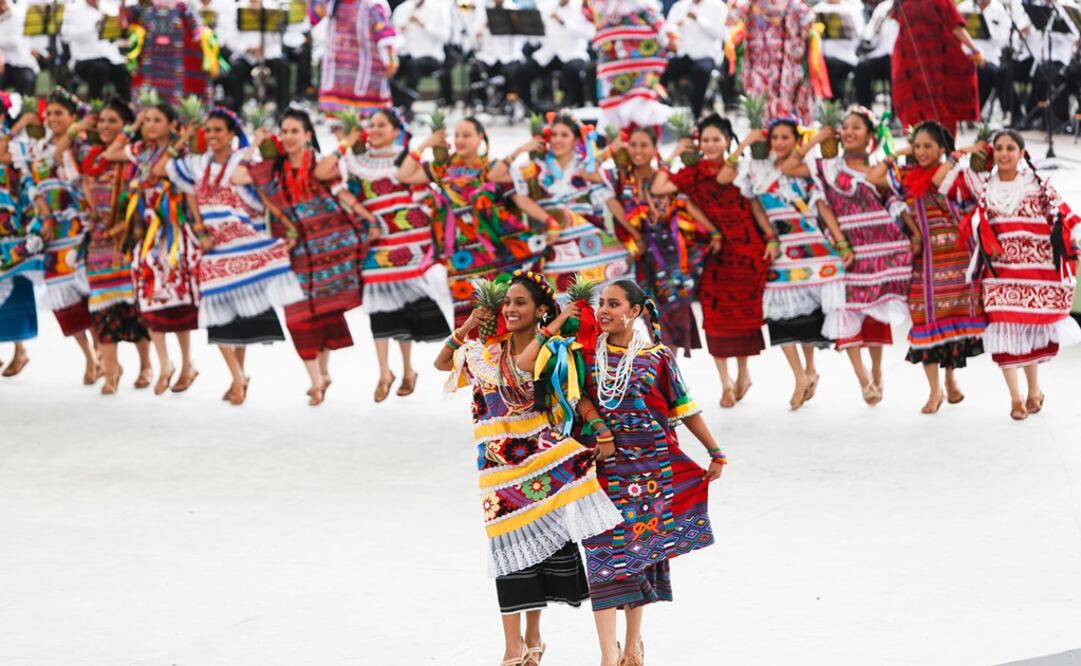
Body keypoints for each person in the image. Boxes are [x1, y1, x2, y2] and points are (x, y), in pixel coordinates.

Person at [434, 271, 622, 666]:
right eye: (508, 303)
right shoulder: (484, 354)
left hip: (540, 458)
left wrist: (601, 430)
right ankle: (512, 646)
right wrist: (467, 325)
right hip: (497, 469)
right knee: (507, 549)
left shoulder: (553, 350)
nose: (511, 309)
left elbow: (532, 369)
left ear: (539, 310)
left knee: (538, 550)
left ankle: (532, 636)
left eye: (521, 302)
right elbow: (440, 363)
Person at [581, 279, 725, 666]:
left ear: (636, 311)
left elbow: (684, 407)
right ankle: (607, 656)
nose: (604, 311)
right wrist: (599, 428)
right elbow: (576, 398)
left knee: (639, 553)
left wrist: (715, 451)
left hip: (649, 473)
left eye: (614, 304)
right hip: (602, 470)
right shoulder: (584, 354)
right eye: (601, 304)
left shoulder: (658, 357)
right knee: (602, 555)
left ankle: (632, 644)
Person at [164, 107, 303, 405]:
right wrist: (200, 228)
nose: (212, 136)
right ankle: (238, 377)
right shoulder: (197, 164)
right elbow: (173, 175)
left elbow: (265, 194)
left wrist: (286, 223)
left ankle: (239, 376)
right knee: (218, 313)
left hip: (246, 241)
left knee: (241, 314)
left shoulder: (243, 160)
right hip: (214, 248)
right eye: (208, 130)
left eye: (218, 130)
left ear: (230, 134)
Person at [239, 108, 368, 405]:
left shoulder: (320, 164)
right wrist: (256, 144)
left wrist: (369, 220)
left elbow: (336, 186)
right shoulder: (273, 168)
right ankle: (314, 378)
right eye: (284, 131)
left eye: (295, 131)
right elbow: (238, 175)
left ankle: (322, 373)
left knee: (324, 313)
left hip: (329, 248)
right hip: (294, 251)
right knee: (296, 315)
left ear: (308, 135)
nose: (288, 137)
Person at [791, 109, 918, 404]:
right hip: (848, 251)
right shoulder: (827, 168)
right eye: (844, 127)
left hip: (883, 250)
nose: (848, 132)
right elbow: (795, 169)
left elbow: (895, 202)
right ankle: (862, 379)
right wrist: (818, 138)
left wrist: (914, 234)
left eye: (856, 127)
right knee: (846, 311)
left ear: (870, 136)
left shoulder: (879, 169)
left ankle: (876, 371)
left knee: (876, 313)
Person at [868, 120, 986, 413]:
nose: (920, 152)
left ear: (941, 149)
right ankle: (935, 391)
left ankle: (950, 379)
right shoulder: (906, 175)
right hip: (923, 261)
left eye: (926, 146)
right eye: (917, 146)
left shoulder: (956, 175)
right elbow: (874, 175)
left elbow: (937, 182)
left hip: (954, 258)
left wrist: (955, 156)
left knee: (951, 325)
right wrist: (899, 152)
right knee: (924, 324)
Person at [651, 114, 769, 407]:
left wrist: (771, 238)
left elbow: (754, 204)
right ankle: (725, 382)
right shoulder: (693, 173)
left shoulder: (742, 169)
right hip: (712, 253)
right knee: (715, 318)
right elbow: (658, 188)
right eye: (705, 140)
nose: (711, 144)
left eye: (717, 139)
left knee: (743, 317)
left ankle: (744, 374)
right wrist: (675, 154)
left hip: (745, 249)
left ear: (728, 141)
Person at [337, 108, 451, 402]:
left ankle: (408, 369)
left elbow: (425, 192)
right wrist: (364, 218)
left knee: (403, 306)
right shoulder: (357, 161)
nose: (374, 130)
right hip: (377, 240)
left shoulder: (406, 156)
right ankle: (385, 371)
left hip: (408, 241)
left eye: (380, 125)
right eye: (371, 124)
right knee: (379, 308)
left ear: (394, 129)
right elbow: (343, 191)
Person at [735, 116, 849, 410]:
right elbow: (756, 205)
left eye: (786, 137)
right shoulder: (757, 168)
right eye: (775, 138)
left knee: (807, 314)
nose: (780, 143)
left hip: (810, 246)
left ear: (797, 140)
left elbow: (821, 207)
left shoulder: (806, 167)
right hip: (781, 250)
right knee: (778, 313)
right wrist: (771, 236)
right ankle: (798, 375)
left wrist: (840, 242)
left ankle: (810, 370)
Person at [968, 130, 1080, 419]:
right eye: (998, 148)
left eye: (1010, 148)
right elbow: (950, 179)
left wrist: (1069, 253)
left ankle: (1033, 390)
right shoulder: (982, 186)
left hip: (1035, 270)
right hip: (999, 272)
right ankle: (1015, 399)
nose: (1004, 153)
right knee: (1004, 330)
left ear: (1021, 153)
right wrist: (974, 150)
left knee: (1028, 330)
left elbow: (1062, 218)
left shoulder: (1037, 184)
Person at [398, 117, 543, 327]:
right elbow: (405, 174)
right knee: (467, 311)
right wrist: (425, 144)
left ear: (480, 138)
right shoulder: (443, 168)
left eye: (466, 135)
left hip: (493, 251)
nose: (460, 140)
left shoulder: (491, 166)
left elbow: (520, 191)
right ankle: (470, 359)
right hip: (460, 254)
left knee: (501, 308)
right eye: (456, 135)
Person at [102, 102, 202, 395]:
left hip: (173, 232)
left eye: (156, 119)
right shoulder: (141, 150)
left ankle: (186, 364)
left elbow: (161, 170)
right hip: (147, 232)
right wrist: (131, 129)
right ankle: (164, 363)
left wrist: (181, 139)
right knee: (149, 295)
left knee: (177, 298)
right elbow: (110, 154)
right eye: (146, 120)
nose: (150, 125)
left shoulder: (183, 154)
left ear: (172, 123)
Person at [604, 126, 720, 355]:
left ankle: (669, 372)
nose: (638, 150)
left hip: (670, 256)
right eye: (633, 145)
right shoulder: (620, 177)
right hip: (640, 254)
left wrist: (713, 232)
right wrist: (634, 235)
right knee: (650, 314)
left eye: (644, 145)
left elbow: (685, 204)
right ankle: (665, 373)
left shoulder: (662, 176)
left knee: (673, 316)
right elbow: (608, 199)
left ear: (654, 149)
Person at [67, 98, 153, 395]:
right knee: (101, 308)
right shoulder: (89, 157)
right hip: (99, 242)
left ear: (126, 127)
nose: (105, 126)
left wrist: (126, 227)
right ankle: (112, 371)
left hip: (128, 240)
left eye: (112, 121)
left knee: (134, 307)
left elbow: (141, 197)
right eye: (101, 121)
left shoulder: (133, 158)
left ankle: (146, 364)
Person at [490, 114, 633, 293]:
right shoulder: (536, 169)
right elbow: (494, 176)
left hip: (590, 250)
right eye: (554, 134)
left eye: (564, 135)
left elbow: (611, 203)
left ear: (576, 140)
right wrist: (522, 149)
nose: (558, 140)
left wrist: (635, 235)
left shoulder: (586, 169)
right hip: (556, 253)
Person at [15, 89, 101, 386]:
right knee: (63, 299)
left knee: (88, 292)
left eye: (58, 113)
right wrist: (44, 213)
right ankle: (89, 356)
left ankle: (103, 352)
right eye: (48, 113)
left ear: (72, 117)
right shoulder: (35, 148)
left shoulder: (82, 144)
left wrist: (77, 132)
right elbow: (30, 182)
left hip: (77, 225)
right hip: (51, 229)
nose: (51, 119)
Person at [891, 0, 984, 136]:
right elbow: (956, 27)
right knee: (941, 104)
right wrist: (975, 50)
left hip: (911, 58)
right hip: (933, 59)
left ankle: (916, 148)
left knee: (916, 104)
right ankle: (945, 149)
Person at [727, 0, 821, 122]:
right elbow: (730, 20)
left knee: (789, 117)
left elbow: (810, 26)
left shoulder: (795, 6)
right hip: (759, 69)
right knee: (761, 113)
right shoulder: (751, 4)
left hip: (788, 70)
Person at [589, 0, 674, 129]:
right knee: (613, 104)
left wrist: (666, 37)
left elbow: (655, 18)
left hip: (641, 59)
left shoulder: (642, 5)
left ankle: (646, 137)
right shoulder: (600, 5)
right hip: (611, 60)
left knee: (640, 102)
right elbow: (592, 18)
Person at [0, 124, 42, 378]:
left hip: (12, 237)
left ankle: (20, 349)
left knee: (15, 291)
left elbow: (28, 200)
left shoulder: (17, 168)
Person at [309, 0, 402, 115]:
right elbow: (313, 18)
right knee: (338, 121)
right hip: (337, 74)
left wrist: (392, 60)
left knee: (371, 122)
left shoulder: (373, 5)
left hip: (367, 74)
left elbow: (385, 33)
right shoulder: (331, 3)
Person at [127, 0, 218, 105]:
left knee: (178, 105)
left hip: (179, 71)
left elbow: (199, 34)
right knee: (149, 104)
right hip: (150, 67)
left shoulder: (184, 7)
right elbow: (127, 25)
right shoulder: (144, 7)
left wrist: (209, 58)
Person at [522, 0, 596, 112]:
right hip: (549, 54)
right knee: (523, 71)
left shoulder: (580, 7)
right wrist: (536, 28)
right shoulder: (547, 6)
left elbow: (589, 33)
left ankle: (576, 106)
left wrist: (563, 22)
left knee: (572, 70)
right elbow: (536, 40)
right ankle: (534, 109)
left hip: (573, 53)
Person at [662, 0, 727, 118]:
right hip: (682, 55)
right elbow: (667, 30)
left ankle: (696, 115)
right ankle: (662, 109)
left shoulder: (718, 6)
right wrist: (675, 28)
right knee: (661, 70)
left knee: (701, 72)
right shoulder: (679, 6)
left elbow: (722, 33)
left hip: (706, 56)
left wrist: (699, 19)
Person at [226, 0, 293, 112]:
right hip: (246, 57)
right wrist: (247, 49)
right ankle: (236, 110)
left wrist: (264, 48)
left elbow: (278, 39)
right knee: (235, 68)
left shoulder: (272, 8)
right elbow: (230, 37)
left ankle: (282, 110)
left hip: (268, 56)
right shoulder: (238, 9)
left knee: (284, 67)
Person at [61, 0, 133, 101]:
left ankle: (123, 107)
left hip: (108, 57)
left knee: (122, 72)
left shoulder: (109, 7)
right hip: (83, 58)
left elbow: (118, 36)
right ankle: (94, 106)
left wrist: (121, 23)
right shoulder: (73, 9)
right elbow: (66, 36)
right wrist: (94, 27)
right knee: (100, 70)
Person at [391, 0, 454, 112]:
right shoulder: (402, 9)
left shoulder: (439, 9)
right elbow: (393, 37)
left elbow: (445, 37)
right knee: (391, 65)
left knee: (414, 66)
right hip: (406, 53)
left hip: (431, 55)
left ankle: (407, 108)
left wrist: (424, 25)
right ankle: (395, 105)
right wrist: (400, 30)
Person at [956, 0, 1012, 117]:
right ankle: (960, 110)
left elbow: (1003, 41)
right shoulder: (964, 7)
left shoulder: (1001, 10)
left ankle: (975, 112)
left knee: (989, 73)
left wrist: (985, 28)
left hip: (989, 56)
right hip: (965, 55)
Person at [815, 0, 864, 107]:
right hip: (821, 57)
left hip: (846, 58)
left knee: (830, 66)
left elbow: (860, 36)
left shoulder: (851, 10)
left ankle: (837, 103)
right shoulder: (817, 9)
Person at [853, 0, 897, 111]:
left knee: (897, 70)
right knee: (861, 67)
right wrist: (877, 28)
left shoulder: (908, 5)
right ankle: (866, 112)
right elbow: (869, 36)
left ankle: (896, 115)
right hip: (881, 54)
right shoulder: (883, 7)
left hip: (900, 56)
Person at [0, 0, 40, 96]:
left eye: (3, 3)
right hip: (3, 65)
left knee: (26, 80)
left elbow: (15, 42)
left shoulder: (18, 16)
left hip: (21, 62)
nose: (2, 7)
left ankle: (23, 109)